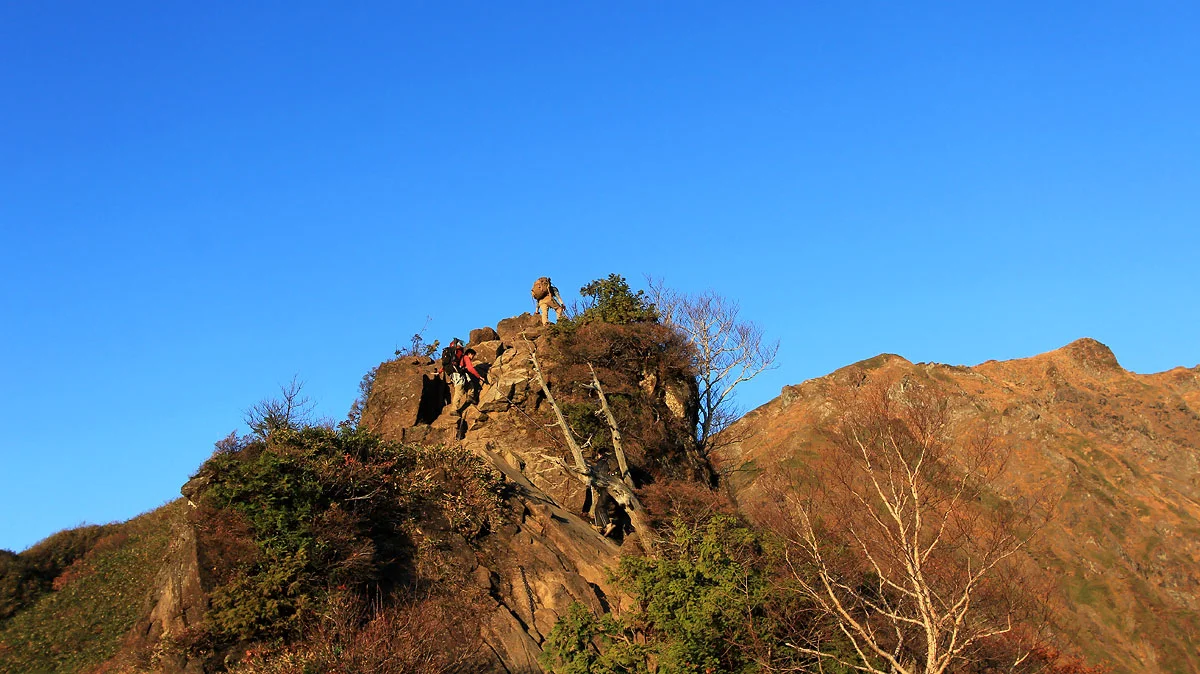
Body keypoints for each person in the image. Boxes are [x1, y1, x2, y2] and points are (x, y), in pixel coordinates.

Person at [440, 338, 485, 417]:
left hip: (453, 374)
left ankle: (470, 397)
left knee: (469, 382)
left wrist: (440, 371)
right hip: (457, 375)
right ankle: (454, 410)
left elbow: (445, 366)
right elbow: (470, 368)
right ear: (470, 354)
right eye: (473, 355)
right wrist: (479, 376)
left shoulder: (455, 358)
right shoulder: (465, 357)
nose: (472, 358)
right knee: (459, 391)